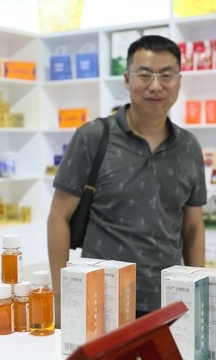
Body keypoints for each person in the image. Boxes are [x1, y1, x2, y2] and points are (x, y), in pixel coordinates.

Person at [47, 35, 206, 323]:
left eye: (166, 75)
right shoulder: (93, 137)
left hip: (167, 298)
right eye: (145, 74)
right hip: (101, 299)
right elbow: (59, 216)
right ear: (126, 79)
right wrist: (61, 296)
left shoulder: (189, 147)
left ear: (179, 81)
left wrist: (199, 292)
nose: (155, 86)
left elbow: (193, 226)